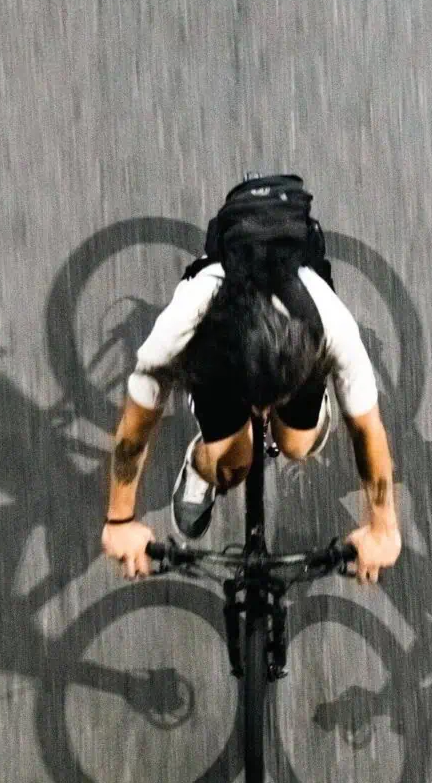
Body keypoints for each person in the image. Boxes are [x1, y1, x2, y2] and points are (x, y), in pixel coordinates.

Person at [101, 174, 402, 583]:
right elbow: (135, 426)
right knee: (230, 464)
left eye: (265, 405)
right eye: (256, 406)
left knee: (297, 445)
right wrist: (119, 520)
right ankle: (198, 465)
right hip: (220, 373)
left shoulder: (330, 322)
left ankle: (305, 412)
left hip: (296, 368)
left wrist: (384, 527)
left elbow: (368, 429)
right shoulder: (186, 320)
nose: (259, 414)